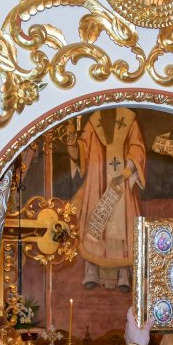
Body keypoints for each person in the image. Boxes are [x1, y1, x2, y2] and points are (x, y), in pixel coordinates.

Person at [72, 107, 146, 291]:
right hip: (97, 182)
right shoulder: (93, 120)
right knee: (93, 223)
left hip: (122, 180)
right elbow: (83, 150)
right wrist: (72, 143)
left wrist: (127, 171)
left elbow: (137, 147)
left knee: (122, 225)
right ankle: (91, 271)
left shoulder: (129, 119)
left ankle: (123, 274)